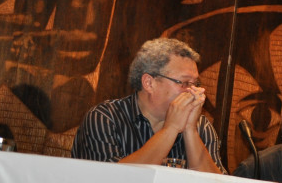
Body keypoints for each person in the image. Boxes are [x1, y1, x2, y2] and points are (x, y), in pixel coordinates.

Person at [71, 37, 225, 173]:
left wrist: (190, 130)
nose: (195, 92)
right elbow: (112, 181)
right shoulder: (105, 117)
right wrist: (171, 129)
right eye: (184, 83)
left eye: (196, 84)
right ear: (149, 83)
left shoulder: (201, 126)